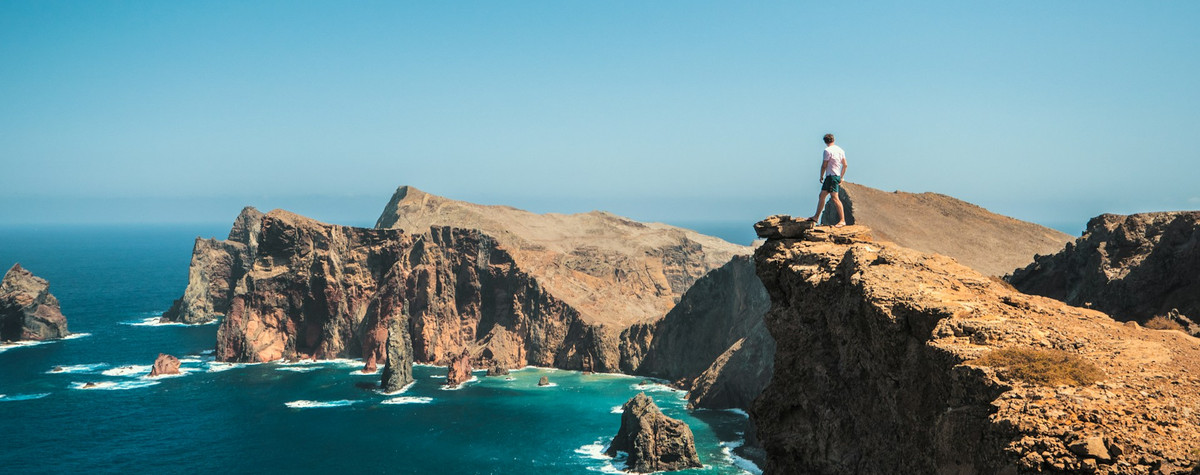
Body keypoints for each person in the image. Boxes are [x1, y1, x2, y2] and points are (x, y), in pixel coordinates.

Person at [807, 133, 848, 227]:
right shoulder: (840, 150)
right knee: (822, 195)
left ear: (825, 141)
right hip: (834, 176)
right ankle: (816, 217)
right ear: (833, 140)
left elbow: (824, 165)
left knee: (835, 198)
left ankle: (842, 220)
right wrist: (841, 177)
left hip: (831, 177)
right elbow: (845, 165)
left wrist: (821, 175)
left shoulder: (827, 151)